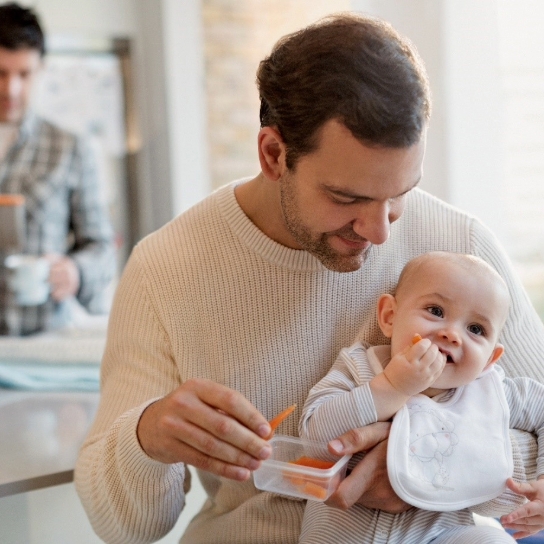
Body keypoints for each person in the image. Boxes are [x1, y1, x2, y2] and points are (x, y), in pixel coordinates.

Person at [74, 13, 544, 544]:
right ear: (274, 154)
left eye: (401, 195)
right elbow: (123, 527)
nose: (380, 232)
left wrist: (426, 461)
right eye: (348, 199)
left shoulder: (463, 247)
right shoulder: (168, 268)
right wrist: (149, 437)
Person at [299, 251, 544, 544]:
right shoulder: (361, 367)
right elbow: (316, 438)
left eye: (476, 329)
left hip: (442, 534)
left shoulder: (492, 394)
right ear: (389, 317)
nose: (452, 334)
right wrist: (392, 387)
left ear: (491, 358)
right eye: (436, 311)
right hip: (341, 535)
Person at [0, 2, 116, 335]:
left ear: (41, 69)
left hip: (42, 342)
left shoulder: (71, 148)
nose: (11, 89)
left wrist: (76, 271)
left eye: (23, 74)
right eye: (1, 73)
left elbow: (101, 247)